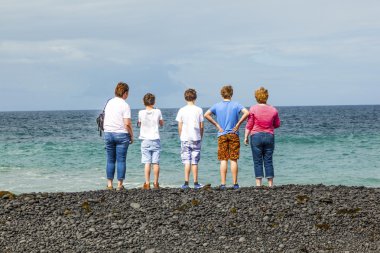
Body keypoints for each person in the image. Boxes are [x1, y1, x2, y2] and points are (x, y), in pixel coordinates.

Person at [204, 85, 249, 190]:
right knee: (233, 159)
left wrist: (217, 125)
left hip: (222, 134)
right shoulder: (236, 105)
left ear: (222, 94)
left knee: (223, 159)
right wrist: (238, 124)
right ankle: (235, 184)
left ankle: (223, 184)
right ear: (231, 94)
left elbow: (206, 114)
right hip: (234, 134)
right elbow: (247, 113)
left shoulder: (217, 105)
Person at [244, 87, 280, 187]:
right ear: (267, 96)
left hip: (256, 136)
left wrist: (246, 137)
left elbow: (249, 124)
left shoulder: (253, 108)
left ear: (256, 97)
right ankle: (270, 184)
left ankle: (258, 184)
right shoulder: (273, 109)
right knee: (268, 160)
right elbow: (277, 124)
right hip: (269, 136)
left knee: (257, 161)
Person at [103, 82, 134, 191]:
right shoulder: (125, 105)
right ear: (125, 93)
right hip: (121, 134)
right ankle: (120, 185)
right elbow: (127, 123)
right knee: (121, 160)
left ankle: (110, 184)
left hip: (108, 133)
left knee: (110, 160)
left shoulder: (109, 102)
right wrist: (132, 135)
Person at [176, 88, 205, 189]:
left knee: (186, 161)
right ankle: (196, 183)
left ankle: (186, 183)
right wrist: (200, 136)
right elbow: (201, 126)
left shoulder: (182, 110)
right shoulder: (199, 110)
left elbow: (179, 126)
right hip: (196, 138)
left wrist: (181, 136)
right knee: (195, 161)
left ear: (185, 98)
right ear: (195, 98)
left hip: (185, 138)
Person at [138, 93, 164, 190]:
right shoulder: (158, 111)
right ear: (154, 102)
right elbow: (161, 124)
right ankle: (156, 183)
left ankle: (147, 183)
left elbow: (139, 124)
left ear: (143, 102)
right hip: (155, 139)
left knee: (147, 162)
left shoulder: (141, 112)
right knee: (156, 163)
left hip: (145, 140)